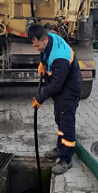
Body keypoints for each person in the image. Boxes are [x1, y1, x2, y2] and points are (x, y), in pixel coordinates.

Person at [27, 25, 83, 175]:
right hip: (62, 85)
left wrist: (39, 98)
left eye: (37, 45)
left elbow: (56, 85)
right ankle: (60, 148)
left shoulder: (60, 58)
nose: (36, 48)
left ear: (44, 39)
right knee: (60, 120)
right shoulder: (50, 37)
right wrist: (43, 64)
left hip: (69, 89)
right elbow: (44, 53)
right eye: (34, 45)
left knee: (67, 124)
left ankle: (66, 160)